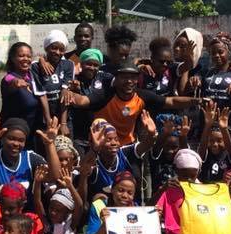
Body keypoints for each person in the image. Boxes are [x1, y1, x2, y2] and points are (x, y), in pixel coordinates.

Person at [64, 60, 201, 145]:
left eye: (133, 78)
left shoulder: (142, 96)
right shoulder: (105, 95)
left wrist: (197, 101)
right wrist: (66, 92)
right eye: (124, 77)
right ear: (116, 79)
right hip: (103, 146)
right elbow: (82, 100)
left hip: (128, 146)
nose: (129, 81)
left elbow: (171, 101)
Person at [78, 115, 157, 202]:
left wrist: (152, 134)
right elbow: (83, 169)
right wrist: (95, 148)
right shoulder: (93, 160)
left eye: (116, 139)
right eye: (108, 140)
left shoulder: (125, 153)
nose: (114, 143)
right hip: (103, 211)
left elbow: (146, 145)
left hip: (128, 208)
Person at [201, 35, 231, 140]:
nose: (217, 55)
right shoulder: (206, 74)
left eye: (220, 52)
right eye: (213, 53)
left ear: (228, 52)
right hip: (208, 125)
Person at [0, 42, 47, 145]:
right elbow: (11, 84)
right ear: (12, 58)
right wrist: (16, 83)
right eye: (21, 56)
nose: (26, 59)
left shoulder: (33, 76)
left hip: (33, 133)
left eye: (29, 56)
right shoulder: (9, 78)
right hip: (15, 136)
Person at [31, 30, 76, 135]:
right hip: (43, 118)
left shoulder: (68, 65)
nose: (57, 52)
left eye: (61, 49)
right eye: (54, 48)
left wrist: (64, 124)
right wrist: (48, 122)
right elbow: (42, 95)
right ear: (46, 48)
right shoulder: (36, 67)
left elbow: (65, 95)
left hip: (64, 117)